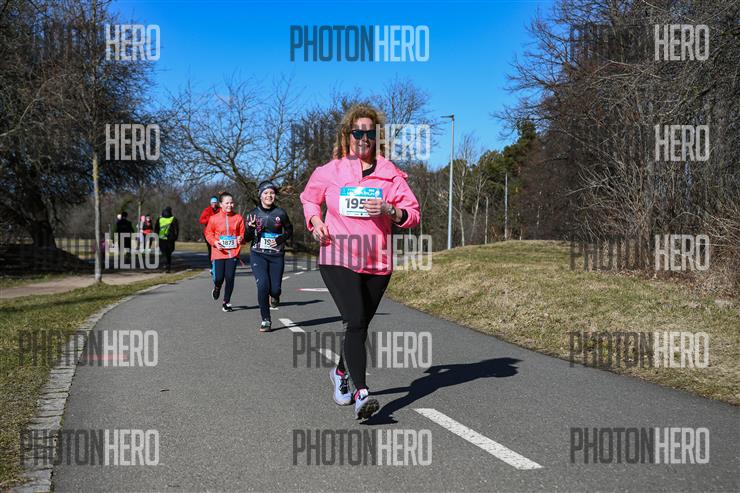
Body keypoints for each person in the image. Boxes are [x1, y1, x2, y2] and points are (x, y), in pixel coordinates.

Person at [300, 104, 420, 420]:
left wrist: (390, 210)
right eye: (358, 132)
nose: (363, 138)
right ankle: (361, 393)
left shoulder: (390, 175)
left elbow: (413, 214)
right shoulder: (330, 171)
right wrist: (315, 221)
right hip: (337, 255)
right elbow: (309, 198)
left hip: (377, 262)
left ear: (377, 137)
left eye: (370, 132)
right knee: (354, 320)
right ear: (347, 135)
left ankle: (340, 372)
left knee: (360, 324)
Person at [244, 181, 293, 332]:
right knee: (262, 286)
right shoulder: (252, 214)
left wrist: (280, 239)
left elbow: (289, 230)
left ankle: (275, 296)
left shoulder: (280, 213)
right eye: (265, 193)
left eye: (271, 193)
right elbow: (246, 238)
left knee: (275, 289)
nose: (269, 196)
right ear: (260, 196)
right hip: (258, 254)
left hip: (276, 255)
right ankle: (266, 319)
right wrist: (250, 229)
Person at [204, 192, 245, 312]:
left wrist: (240, 238)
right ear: (221, 204)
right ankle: (217, 287)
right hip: (218, 252)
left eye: (231, 203)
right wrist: (215, 242)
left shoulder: (238, 218)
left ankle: (226, 302)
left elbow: (242, 233)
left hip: (233, 252)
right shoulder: (214, 218)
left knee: (230, 277)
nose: (230, 205)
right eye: (227, 203)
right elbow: (208, 233)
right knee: (219, 278)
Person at [155, 206, 179, 273]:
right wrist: (175, 237)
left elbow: (156, 229)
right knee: (169, 253)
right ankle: (168, 266)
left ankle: (165, 264)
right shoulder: (173, 219)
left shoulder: (159, 219)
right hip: (170, 238)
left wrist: (157, 237)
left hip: (162, 238)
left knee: (164, 253)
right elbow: (176, 229)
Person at [199, 196, 220, 266]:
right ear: (210, 203)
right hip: (208, 233)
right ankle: (212, 265)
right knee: (210, 249)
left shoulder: (220, 210)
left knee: (218, 248)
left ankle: (218, 264)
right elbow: (201, 220)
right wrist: (209, 220)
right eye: (213, 203)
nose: (214, 204)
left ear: (217, 203)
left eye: (215, 202)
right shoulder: (207, 210)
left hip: (218, 233)